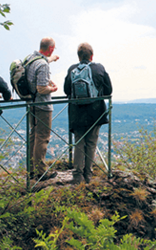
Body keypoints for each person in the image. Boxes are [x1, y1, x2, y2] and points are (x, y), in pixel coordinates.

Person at [64, 42, 113, 184]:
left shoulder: (72, 69)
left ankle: (77, 176)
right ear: (92, 56)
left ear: (78, 56)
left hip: (76, 112)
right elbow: (109, 90)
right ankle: (88, 175)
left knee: (79, 142)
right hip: (95, 112)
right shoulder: (99, 68)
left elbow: (67, 90)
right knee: (91, 142)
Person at [26, 37, 59, 180]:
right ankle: (41, 171)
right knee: (42, 138)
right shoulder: (43, 65)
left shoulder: (30, 59)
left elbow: (43, 61)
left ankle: (31, 170)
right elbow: (41, 89)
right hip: (42, 106)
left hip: (31, 104)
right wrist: (52, 89)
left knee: (33, 136)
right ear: (51, 49)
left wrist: (52, 58)